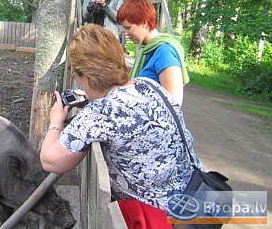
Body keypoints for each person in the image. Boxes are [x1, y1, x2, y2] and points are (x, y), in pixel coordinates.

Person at [39, 24, 202, 229]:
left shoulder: (99, 114)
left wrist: (55, 122)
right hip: (198, 201)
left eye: (77, 77)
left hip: (164, 220)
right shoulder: (148, 85)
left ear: (86, 77)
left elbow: (50, 161)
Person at [117, 0, 189, 105]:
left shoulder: (165, 52)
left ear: (144, 23)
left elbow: (174, 103)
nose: (126, 33)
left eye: (128, 28)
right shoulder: (144, 49)